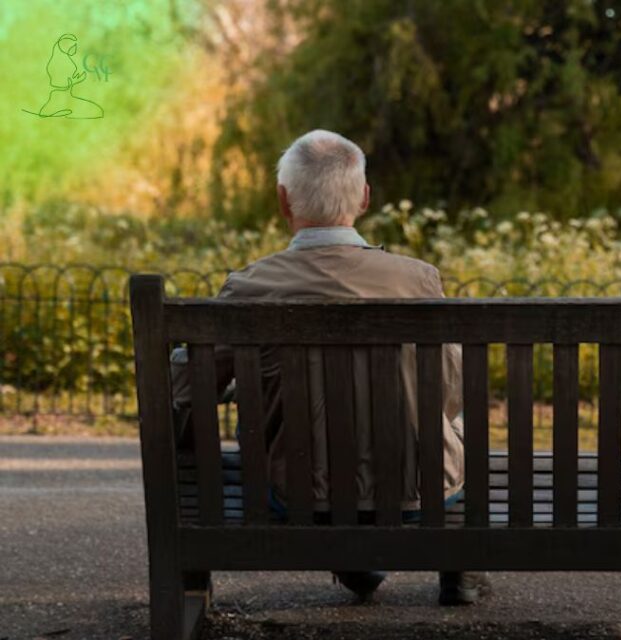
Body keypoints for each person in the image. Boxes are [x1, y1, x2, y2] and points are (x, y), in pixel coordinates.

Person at [169, 129, 488, 606]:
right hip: (419, 493)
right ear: (364, 198)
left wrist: (212, 421)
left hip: (294, 494)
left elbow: (188, 388)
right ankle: (458, 566)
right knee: (448, 423)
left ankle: (354, 561)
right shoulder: (418, 279)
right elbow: (449, 394)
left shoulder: (250, 287)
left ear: (283, 201)